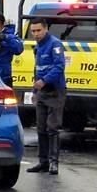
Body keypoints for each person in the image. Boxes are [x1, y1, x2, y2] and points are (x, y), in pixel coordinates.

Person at [26, 18, 67, 175]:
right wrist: (35, 91)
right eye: (33, 31)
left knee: (52, 128)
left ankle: (53, 162)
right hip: (42, 92)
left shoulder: (55, 44)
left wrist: (44, 81)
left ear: (46, 29)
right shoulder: (39, 47)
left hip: (55, 90)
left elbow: (59, 67)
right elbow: (37, 69)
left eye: (38, 30)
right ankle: (42, 162)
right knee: (41, 127)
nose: (36, 34)